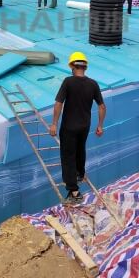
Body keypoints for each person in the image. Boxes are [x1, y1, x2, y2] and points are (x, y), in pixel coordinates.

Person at [49, 52, 106, 203]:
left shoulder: (68, 82)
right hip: (84, 126)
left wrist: (54, 123)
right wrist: (100, 125)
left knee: (68, 156)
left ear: (73, 66)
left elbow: (58, 104)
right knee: (80, 150)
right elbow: (102, 106)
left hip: (69, 127)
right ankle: (80, 173)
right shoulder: (93, 84)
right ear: (85, 67)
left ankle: (74, 191)